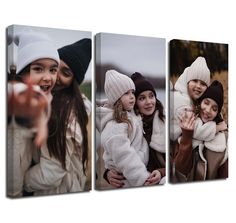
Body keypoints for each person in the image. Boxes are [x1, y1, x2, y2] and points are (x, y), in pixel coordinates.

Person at [23, 38, 92, 195]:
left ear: (74, 81)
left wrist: (20, 182)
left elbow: (51, 172)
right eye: (54, 68)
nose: (53, 77)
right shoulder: (49, 101)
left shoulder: (64, 113)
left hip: (53, 191)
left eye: (65, 73)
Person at [7, 31, 60, 198]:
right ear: (23, 74)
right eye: (38, 69)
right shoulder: (15, 95)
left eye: (53, 70)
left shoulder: (49, 100)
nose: (47, 77)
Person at [96, 69, 161, 188]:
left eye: (132, 93)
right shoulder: (118, 123)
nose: (131, 97)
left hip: (142, 175)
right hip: (132, 178)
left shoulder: (159, 119)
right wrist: (108, 172)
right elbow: (123, 155)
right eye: (126, 93)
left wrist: (162, 172)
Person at [172, 80, 228, 181]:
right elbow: (180, 169)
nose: (207, 110)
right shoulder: (186, 125)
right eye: (206, 103)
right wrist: (187, 136)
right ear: (200, 102)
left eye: (214, 109)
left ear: (218, 113)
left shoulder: (224, 138)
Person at [170, 56, 211, 142]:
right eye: (195, 81)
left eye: (203, 84)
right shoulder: (180, 100)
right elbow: (194, 130)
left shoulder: (193, 101)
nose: (198, 86)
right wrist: (217, 127)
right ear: (187, 82)